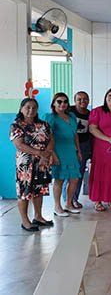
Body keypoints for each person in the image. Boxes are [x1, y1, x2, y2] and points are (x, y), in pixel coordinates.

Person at [10, 98, 55, 231]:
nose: (31, 110)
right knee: (24, 192)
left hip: (42, 163)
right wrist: (39, 153)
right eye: (27, 107)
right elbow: (19, 145)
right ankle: (25, 221)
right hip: (25, 165)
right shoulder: (17, 125)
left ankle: (38, 216)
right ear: (21, 109)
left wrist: (46, 154)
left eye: (34, 108)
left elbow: (51, 139)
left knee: (39, 190)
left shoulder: (44, 125)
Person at [43, 93, 81, 217]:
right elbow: (47, 137)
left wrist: (78, 150)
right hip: (58, 149)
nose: (62, 104)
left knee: (74, 178)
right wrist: (52, 154)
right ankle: (57, 206)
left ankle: (69, 204)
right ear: (54, 103)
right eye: (59, 101)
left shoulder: (71, 116)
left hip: (71, 149)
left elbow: (75, 135)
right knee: (59, 178)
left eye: (65, 101)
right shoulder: (50, 117)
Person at [68, 91, 91, 209]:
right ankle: (67, 200)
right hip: (69, 146)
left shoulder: (90, 114)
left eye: (85, 99)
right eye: (79, 99)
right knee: (68, 173)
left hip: (84, 146)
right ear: (75, 101)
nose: (82, 101)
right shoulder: (69, 111)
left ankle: (74, 198)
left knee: (79, 173)